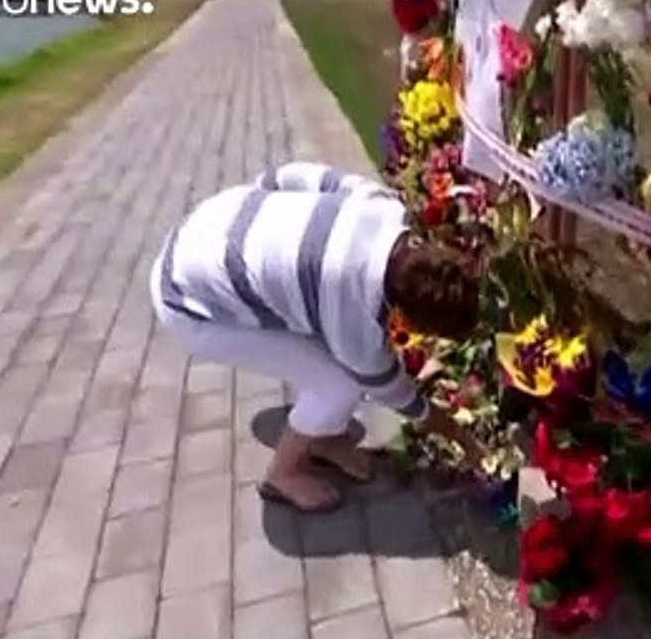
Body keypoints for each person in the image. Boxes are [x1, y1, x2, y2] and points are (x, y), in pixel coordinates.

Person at [150, 161, 483, 513]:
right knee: (340, 385)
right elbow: (397, 395)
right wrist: (460, 436)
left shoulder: (383, 205)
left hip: (216, 218)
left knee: (325, 357)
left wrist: (264, 198)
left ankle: (324, 438)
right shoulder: (355, 317)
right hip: (189, 303)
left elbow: (299, 175)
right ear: (411, 317)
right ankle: (283, 474)